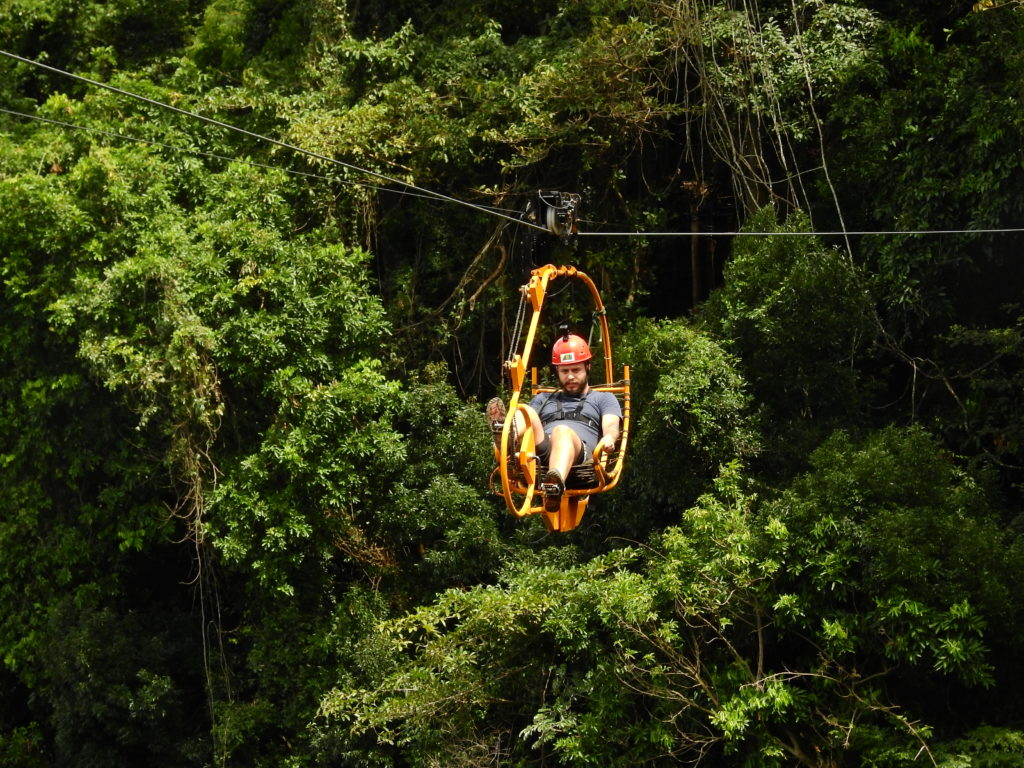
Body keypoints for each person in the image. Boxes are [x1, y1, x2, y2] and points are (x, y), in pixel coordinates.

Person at [488, 331, 622, 511]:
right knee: (525, 410)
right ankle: (507, 438)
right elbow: (529, 420)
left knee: (562, 431)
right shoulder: (543, 399)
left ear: (587, 367)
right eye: (565, 371)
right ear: (557, 371)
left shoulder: (603, 399)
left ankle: (554, 485)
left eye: (576, 370)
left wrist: (609, 438)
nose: (570, 376)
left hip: (580, 456)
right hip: (543, 452)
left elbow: (611, 425)